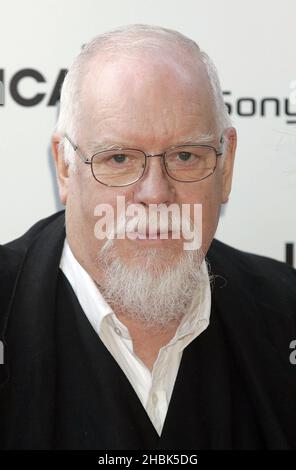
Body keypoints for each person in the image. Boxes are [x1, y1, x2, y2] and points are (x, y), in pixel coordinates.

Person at [0, 24, 295, 450]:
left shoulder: (287, 312)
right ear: (66, 167)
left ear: (226, 166)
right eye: (118, 158)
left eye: (185, 155)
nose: (155, 194)